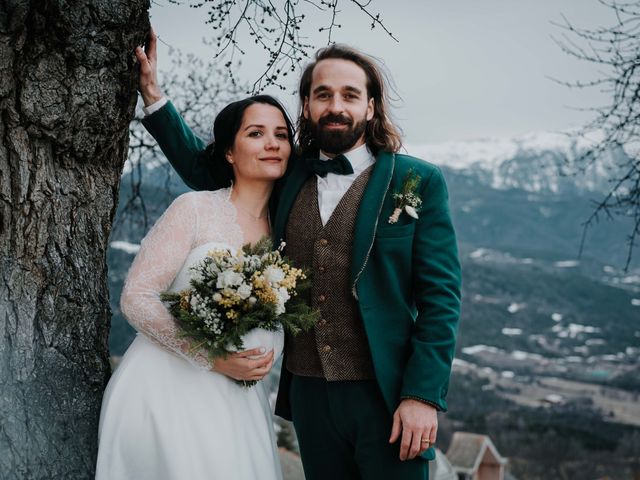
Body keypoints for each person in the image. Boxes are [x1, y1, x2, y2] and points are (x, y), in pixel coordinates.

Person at [136, 29, 461, 480]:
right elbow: (203, 168)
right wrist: (153, 95)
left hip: (387, 396)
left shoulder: (416, 181)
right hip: (309, 395)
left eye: (350, 94)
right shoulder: (286, 171)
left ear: (370, 106)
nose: (336, 105)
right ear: (307, 106)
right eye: (322, 94)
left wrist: (422, 396)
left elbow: (441, 299)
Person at [95, 94, 296, 480]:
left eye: (282, 135)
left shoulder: (291, 232)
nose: (272, 143)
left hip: (240, 403)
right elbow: (136, 298)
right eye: (256, 133)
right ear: (229, 153)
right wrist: (211, 357)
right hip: (165, 394)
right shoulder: (195, 209)